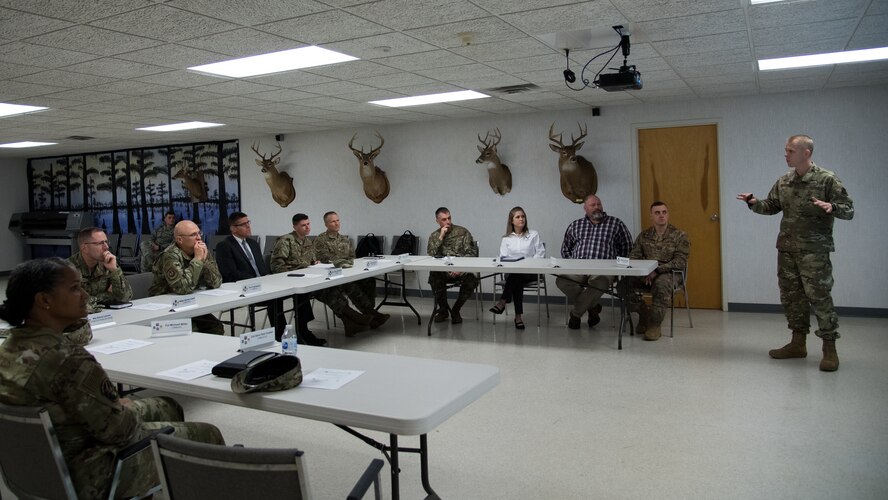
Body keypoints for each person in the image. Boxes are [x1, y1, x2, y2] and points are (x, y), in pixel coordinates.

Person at [0, 257, 224, 499]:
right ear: (44, 300)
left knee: (167, 406)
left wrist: (118, 406)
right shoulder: (67, 360)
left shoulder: (10, 347)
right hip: (86, 472)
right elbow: (122, 432)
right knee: (207, 434)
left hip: (35, 465)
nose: (85, 295)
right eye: (75, 288)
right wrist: (119, 406)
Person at [737, 134, 853, 372]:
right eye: (786, 150)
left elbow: (848, 210)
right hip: (787, 250)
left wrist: (833, 207)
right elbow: (771, 206)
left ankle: (829, 349)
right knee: (792, 298)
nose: (786, 154)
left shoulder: (826, 179)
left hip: (814, 252)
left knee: (820, 298)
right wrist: (753, 202)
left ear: (806, 153)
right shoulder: (784, 181)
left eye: (790, 150)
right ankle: (797, 343)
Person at [556, 194, 632, 330]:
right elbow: (566, 249)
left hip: (604, 270)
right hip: (578, 268)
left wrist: (617, 268)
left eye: (599, 204)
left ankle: (576, 314)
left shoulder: (616, 223)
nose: (597, 207)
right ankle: (593, 307)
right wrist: (572, 265)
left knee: (600, 282)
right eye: (593, 205)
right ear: (585, 208)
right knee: (561, 280)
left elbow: (627, 247)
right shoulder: (576, 225)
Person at [617, 201, 690, 341]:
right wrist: (643, 271)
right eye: (657, 213)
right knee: (622, 285)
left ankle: (655, 324)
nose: (661, 216)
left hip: (670, 274)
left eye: (664, 212)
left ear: (668, 215)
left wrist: (656, 270)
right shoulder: (644, 236)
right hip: (646, 273)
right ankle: (644, 313)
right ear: (651, 216)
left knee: (661, 284)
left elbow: (680, 262)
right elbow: (634, 257)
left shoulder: (680, 236)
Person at [314, 211, 389, 336]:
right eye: (333, 221)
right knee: (349, 285)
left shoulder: (345, 239)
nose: (336, 223)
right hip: (331, 273)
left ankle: (369, 313)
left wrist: (347, 263)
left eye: (338, 220)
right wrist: (342, 262)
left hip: (348, 271)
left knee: (368, 280)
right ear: (326, 224)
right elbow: (325, 258)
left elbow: (352, 257)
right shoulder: (320, 240)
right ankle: (368, 316)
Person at [215, 211, 288, 339]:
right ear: (233, 229)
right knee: (275, 298)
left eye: (248, 222)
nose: (248, 226)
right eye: (243, 224)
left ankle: (293, 332)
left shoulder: (253, 244)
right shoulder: (224, 246)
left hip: (262, 285)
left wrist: (266, 279)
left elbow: (262, 269)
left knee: (286, 294)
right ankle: (280, 335)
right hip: (242, 288)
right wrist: (257, 281)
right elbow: (230, 273)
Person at [148, 220, 225, 335]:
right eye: (193, 235)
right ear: (180, 239)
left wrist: (204, 260)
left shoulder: (200, 250)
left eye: (199, 233)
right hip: (166, 307)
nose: (199, 238)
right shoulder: (170, 255)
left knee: (216, 327)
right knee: (194, 331)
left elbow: (216, 282)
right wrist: (198, 260)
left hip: (189, 303)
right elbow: (182, 288)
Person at [269, 213, 325, 346]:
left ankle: (303, 330)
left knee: (304, 293)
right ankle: (289, 333)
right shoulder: (286, 240)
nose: (307, 228)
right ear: (295, 227)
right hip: (286, 280)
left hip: (303, 279)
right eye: (303, 225)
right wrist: (290, 279)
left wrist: (314, 263)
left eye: (308, 224)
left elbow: (308, 261)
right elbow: (276, 264)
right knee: (300, 294)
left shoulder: (307, 241)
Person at [489, 207, 546, 330]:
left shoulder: (533, 234)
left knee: (517, 276)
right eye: (518, 217)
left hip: (531, 272)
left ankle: (503, 302)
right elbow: (503, 257)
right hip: (513, 272)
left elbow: (540, 253)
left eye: (523, 216)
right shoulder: (506, 238)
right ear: (512, 221)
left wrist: (529, 264)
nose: (521, 219)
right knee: (517, 277)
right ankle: (518, 317)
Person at [427, 207, 479, 324]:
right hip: (444, 270)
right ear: (437, 221)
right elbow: (432, 255)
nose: (448, 222)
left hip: (462, 269)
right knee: (434, 276)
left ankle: (456, 309)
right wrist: (440, 237)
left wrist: (459, 268)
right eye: (444, 219)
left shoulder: (463, 232)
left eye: (449, 218)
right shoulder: (434, 236)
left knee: (472, 278)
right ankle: (443, 310)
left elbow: (471, 253)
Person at [69, 227, 133, 314]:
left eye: (106, 242)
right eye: (100, 243)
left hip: (105, 317)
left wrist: (114, 270)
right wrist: (107, 295)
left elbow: (125, 297)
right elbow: (77, 305)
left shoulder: (108, 262)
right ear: (85, 248)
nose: (106, 247)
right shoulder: (67, 269)